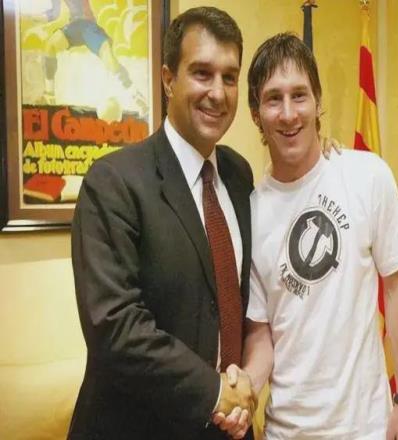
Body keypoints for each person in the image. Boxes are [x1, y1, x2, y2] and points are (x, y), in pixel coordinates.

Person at [218, 33, 398, 439]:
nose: (289, 114)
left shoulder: (367, 175)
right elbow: (262, 332)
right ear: (256, 113)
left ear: (317, 101)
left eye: (299, 95)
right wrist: (245, 389)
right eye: (273, 99)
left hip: (368, 427)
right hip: (286, 430)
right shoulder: (249, 213)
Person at [69, 7, 257, 440]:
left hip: (227, 429)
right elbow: (115, 326)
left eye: (230, 77)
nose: (218, 93)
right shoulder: (113, 182)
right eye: (202, 73)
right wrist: (214, 392)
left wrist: (324, 154)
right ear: (169, 79)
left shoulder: (238, 175)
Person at [36, 0, 147, 116]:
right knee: (50, 46)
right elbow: (54, 13)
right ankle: (49, 96)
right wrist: (36, 17)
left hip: (88, 26)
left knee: (108, 57)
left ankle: (136, 96)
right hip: (74, 26)